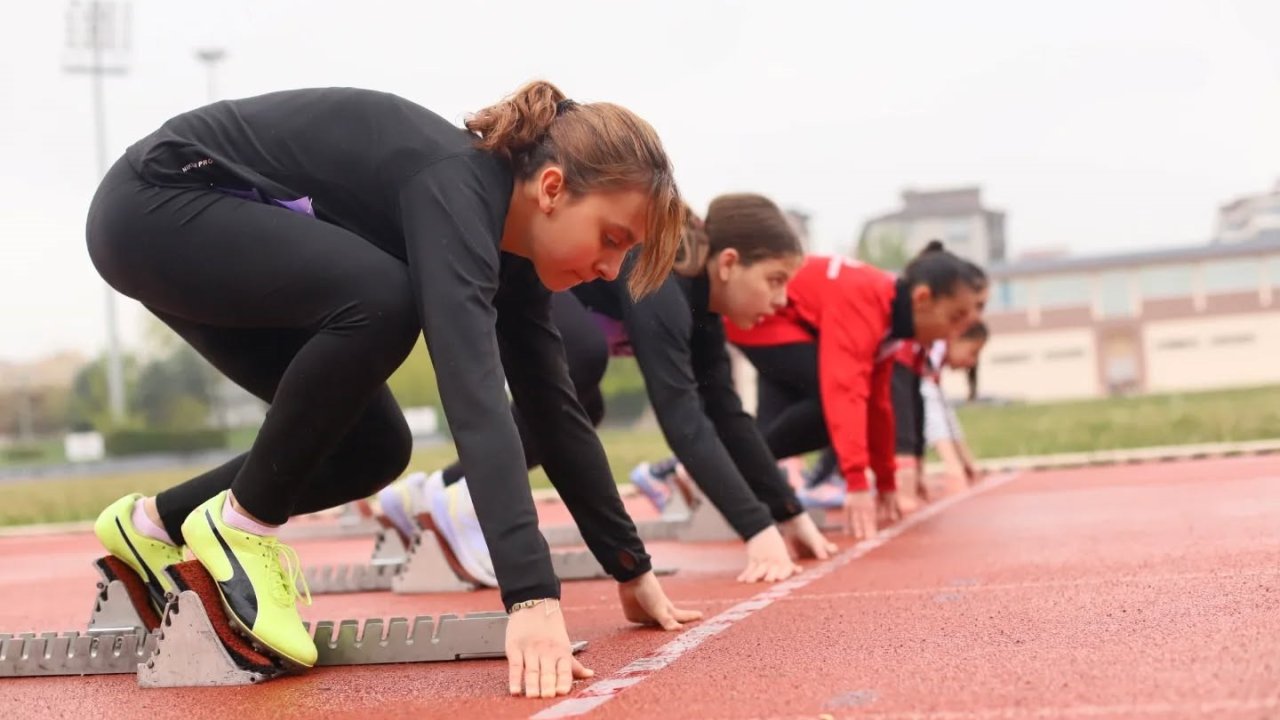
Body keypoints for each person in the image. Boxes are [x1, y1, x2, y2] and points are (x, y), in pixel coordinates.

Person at [85, 80, 701, 699]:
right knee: (384, 300)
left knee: (372, 448)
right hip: (155, 205)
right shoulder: (456, 187)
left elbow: (552, 405)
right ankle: (242, 529)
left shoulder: (510, 250)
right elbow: (475, 395)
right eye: (613, 239)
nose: (609, 270)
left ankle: (155, 526)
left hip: (205, 232)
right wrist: (532, 596)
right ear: (551, 189)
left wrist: (629, 564)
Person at [379, 194, 837, 586]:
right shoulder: (663, 274)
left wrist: (788, 512)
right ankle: (467, 500)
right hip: (505, 268)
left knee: (585, 409)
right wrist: (757, 531)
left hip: (546, 301)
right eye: (775, 281)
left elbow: (727, 414)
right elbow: (681, 415)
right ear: (730, 262)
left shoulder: (703, 315)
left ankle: (431, 492)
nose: (781, 301)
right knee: (581, 358)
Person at [724, 242, 989, 539]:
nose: (954, 332)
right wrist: (857, 482)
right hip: (768, 315)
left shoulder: (890, 319)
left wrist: (886, 482)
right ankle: (724, 465)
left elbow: (879, 404)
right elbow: (845, 392)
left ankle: (720, 464)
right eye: (954, 318)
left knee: (808, 419)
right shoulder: (867, 305)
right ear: (922, 298)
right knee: (832, 408)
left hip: (794, 319)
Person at [889, 320, 989, 512]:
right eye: (972, 352)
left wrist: (966, 461)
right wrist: (952, 466)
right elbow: (930, 405)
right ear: (956, 338)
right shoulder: (933, 346)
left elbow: (944, 411)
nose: (972, 362)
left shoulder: (931, 357)